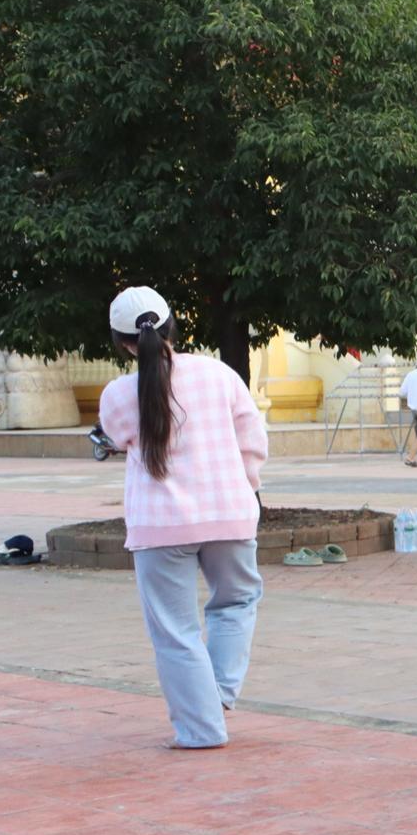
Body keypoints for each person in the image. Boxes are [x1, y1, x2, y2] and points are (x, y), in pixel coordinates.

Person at [98, 287, 269, 751]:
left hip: (160, 525)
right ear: (173, 325)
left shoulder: (117, 394)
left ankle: (201, 727)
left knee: (176, 632)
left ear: (122, 342)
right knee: (236, 603)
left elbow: (117, 437)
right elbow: (252, 439)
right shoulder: (220, 374)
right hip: (230, 515)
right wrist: (246, 488)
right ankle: (217, 696)